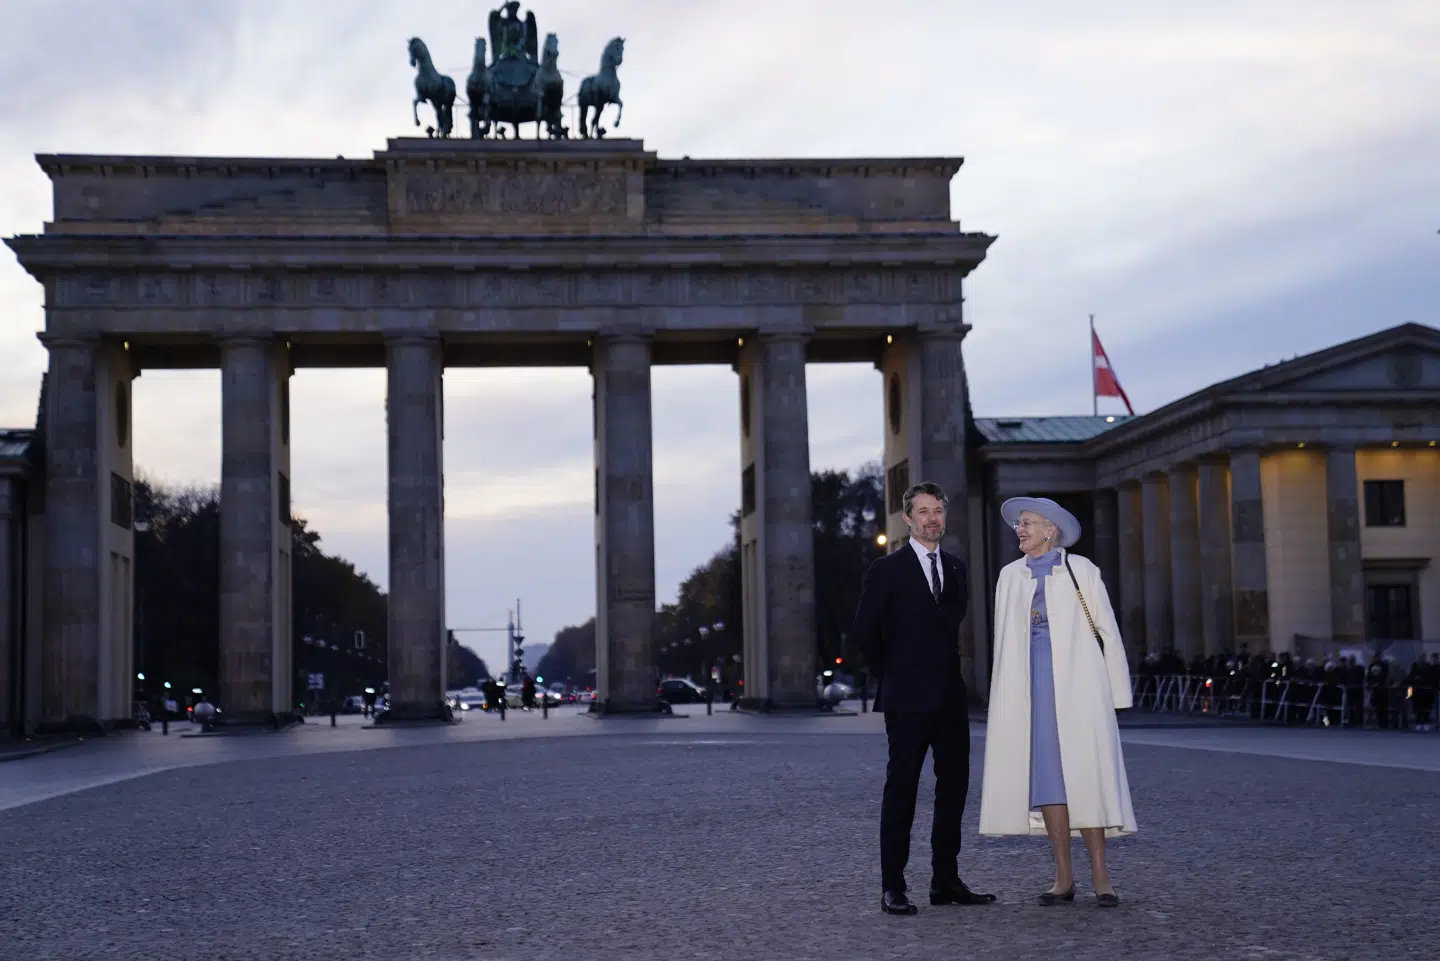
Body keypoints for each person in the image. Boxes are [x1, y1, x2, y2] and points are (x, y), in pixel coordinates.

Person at [979, 497, 1136, 907]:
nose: (1020, 529)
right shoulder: (1009, 576)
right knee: (1049, 779)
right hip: (1031, 687)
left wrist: (1117, 692)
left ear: (1050, 530)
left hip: (1080, 686)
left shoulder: (1081, 570)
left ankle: (1101, 873)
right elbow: (1003, 643)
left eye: (1027, 523)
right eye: (1018, 524)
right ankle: (1063, 874)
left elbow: (1109, 630)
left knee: (1087, 774)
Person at [852, 481, 996, 916]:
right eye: (924, 511)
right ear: (908, 519)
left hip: (951, 699)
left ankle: (944, 880)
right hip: (907, 700)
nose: (933, 519)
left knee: (953, 790)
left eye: (938, 511)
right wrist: (894, 675)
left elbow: (951, 627)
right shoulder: (886, 570)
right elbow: (864, 634)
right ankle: (893, 886)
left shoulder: (956, 569)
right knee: (903, 791)